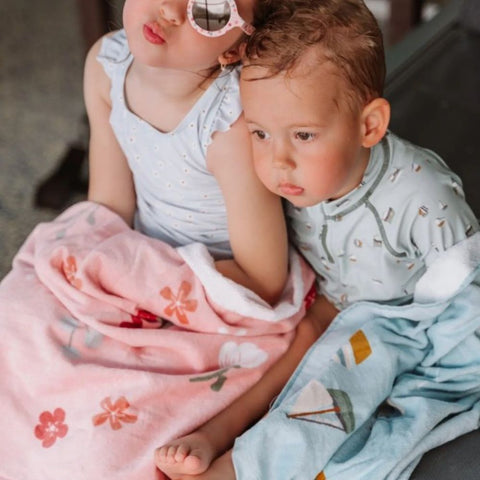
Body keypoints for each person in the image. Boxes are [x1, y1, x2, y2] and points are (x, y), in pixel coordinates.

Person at [155, 0, 480, 478]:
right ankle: (216, 432)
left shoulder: (425, 196)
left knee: (330, 398)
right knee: (271, 362)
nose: (278, 162)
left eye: (303, 136)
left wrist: (425, 366)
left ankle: (238, 470)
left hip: (398, 322)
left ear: (369, 126)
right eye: (260, 133)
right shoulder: (289, 179)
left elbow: (466, 298)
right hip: (324, 303)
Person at [84, 0, 289, 306]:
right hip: (138, 259)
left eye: (210, 9)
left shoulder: (229, 127)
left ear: (236, 50)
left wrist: (145, 283)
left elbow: (263, 279)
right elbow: (108, 208)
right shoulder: (106, 65)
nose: (169, 10)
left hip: (215, 284)